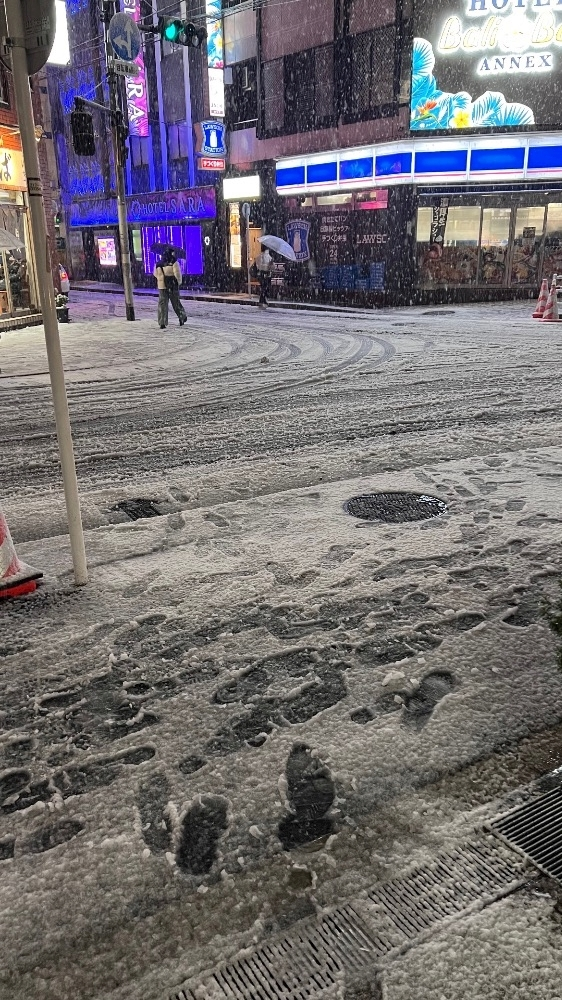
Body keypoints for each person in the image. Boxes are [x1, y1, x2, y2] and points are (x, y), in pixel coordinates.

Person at [153, 249, 187, 329]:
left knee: (162, 304)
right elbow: (177, 274)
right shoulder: (174, 262)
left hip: (162, 286)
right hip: (172, 286)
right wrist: (178, 283)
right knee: (176, 303)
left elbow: (155, 274)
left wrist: (162, 279)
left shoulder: (158, 264)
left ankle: (162, 322)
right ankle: (182, 317)